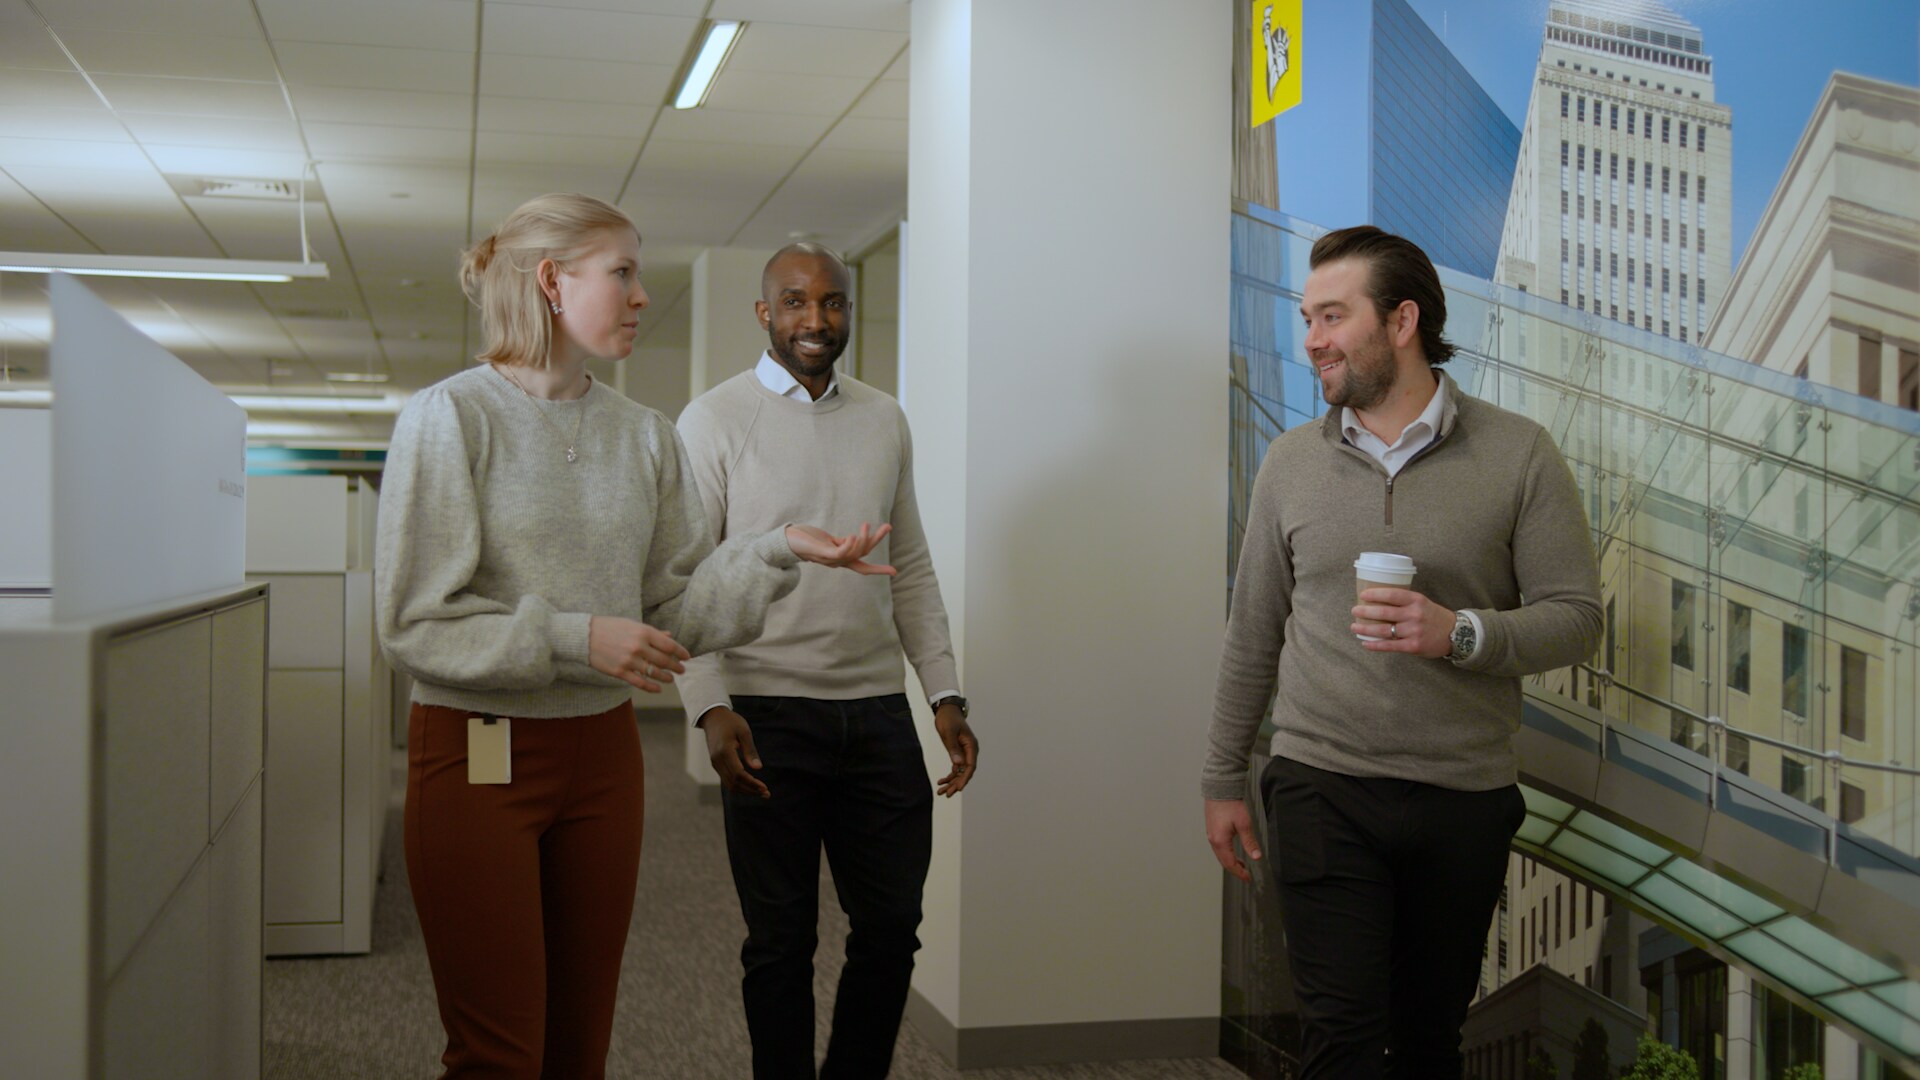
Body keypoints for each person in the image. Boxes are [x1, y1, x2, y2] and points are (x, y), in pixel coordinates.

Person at [375, 194, 895, 1079]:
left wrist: (777, 549)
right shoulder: (451, 417)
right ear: (551, 282)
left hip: (603, 758)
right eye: (622, 272)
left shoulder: (643, 436)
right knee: (500, 1052)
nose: (641, 294)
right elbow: (415, 621)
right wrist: (580, 639)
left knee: (581, 1045)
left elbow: (675, 615)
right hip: (477, 752)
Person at [1200, 225, 1603, 1078]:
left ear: (1402, 321)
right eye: (1308, 318)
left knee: (1428, 1045)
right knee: (1342, 1043)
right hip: (1321, 783)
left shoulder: (1519, 453)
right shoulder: (1288, 465)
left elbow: (1576, 618)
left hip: (1464, 797)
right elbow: (1253, 632)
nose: (1311, 338)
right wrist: (1221, 777)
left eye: (1333, 316)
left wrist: (1459, 632)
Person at [676, 242, 979, 1079]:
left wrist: (944, 692)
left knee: (889, 932)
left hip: (877, 715)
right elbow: (683, 582)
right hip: (766, 711)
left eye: (834, 303)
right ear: (765, 312)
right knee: (781, 942)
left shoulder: (885, 418)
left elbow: (909, 567)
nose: (817, 320)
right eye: (797, 302)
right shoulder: (713, 419)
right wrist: (708, 704)